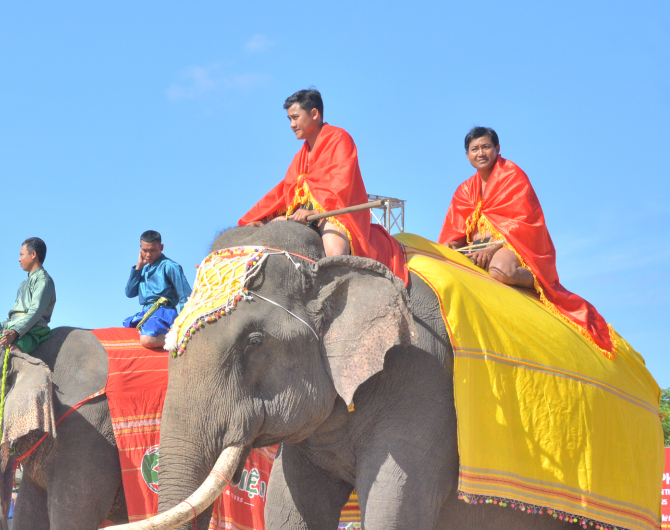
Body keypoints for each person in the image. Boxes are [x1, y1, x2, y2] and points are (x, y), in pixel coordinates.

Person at [439, 127, 615, 355]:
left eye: (486, 147)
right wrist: (452, 247)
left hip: (512, 246)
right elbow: (454, 233)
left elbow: (524, 225)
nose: (480, 153)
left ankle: (541, 283)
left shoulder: (512, 176)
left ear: (497, 149)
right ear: (467, 155)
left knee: (500, 271)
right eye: (474, 149)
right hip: (475, 250)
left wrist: (493, 248)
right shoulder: (464, 190)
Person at [238, 88, 407, 280]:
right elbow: (285, 190)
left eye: (295, 117)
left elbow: (341, 183)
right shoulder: (300, 155)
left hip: (336, 214)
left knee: (335, 253)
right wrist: (261, 217)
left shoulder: (340, 138)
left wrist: (315, 212)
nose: (292, 125)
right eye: (289, 119)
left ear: (314, 114)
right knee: (266, 230)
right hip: (302, 215)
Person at [122, 231, 193, 349]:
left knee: (147, 340)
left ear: (161, 247)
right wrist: (139, 267)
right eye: (145, 250)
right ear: (140, 248)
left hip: (164, 312)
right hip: (146, 313)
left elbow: (185, 296)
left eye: (153, 250)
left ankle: (179, 338)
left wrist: (183, 324)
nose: (148, 254)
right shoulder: (143, 269)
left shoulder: (170, 266)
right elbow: (129, 293)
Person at [0, 238, 56, 353]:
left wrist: (16, 331)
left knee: (12, 353)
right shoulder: (24, 284)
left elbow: (35, 312)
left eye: (21, 255)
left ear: (33, 254)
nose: (19, 259)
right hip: (14, 326)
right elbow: (12, 316)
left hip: (33, 330)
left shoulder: (43, 280)